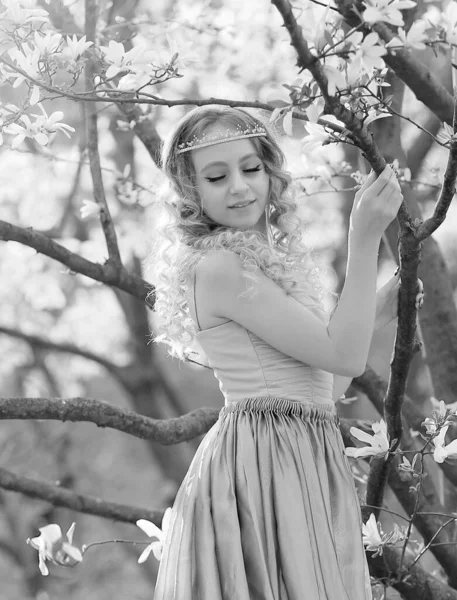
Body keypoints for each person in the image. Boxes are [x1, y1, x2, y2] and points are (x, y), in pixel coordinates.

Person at [150, 104, 403, 600]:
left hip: (301, 447)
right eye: (217, 177)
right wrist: (364, 235)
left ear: (269, 170)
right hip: (263, 461)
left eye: (250, 168)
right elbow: (344, 357)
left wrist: (381, 310)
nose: (240, 187)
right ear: (191, 193)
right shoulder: (220, 266)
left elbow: (325, 386)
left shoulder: (262, 262)